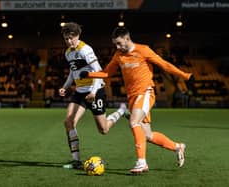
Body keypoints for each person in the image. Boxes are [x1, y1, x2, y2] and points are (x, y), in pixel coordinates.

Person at [80, 27, 194, 174]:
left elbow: (164, 64)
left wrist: (184, 75)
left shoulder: (143, 50)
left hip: (145, 92)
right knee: (147, 135)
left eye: (119, 43)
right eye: (115, 44)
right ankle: (178, 147)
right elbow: (107, 72)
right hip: (132, 97)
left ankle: (142, 163)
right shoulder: (118, 55)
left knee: (134, 122)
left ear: (127, 38)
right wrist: (89, 74)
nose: (117, 47)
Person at [59, 22, 128, 169]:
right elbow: (73, 72)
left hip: (94, 91)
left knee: (103, 130)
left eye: (71, 38)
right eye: (66, 39)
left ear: (78, 36)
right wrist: (65, 87)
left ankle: (122, 110)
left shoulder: (85, 49)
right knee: (68, 122)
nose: (69, 41)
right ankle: (76, 161)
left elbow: (99, 71)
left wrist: (94, 91)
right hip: (79, 92)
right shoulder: (68, 53)